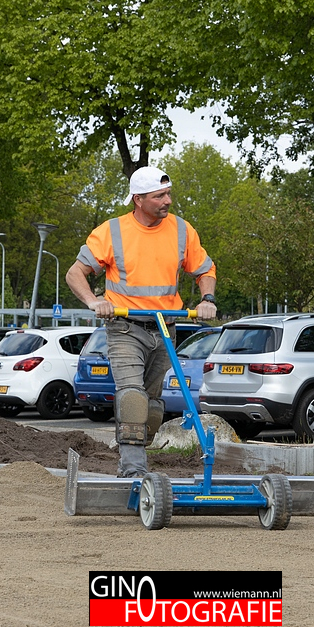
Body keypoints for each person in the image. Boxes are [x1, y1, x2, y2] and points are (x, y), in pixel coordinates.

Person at [66, 165, 217, 477]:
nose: (167, 200)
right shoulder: (112, 231)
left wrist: (207, 300)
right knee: (132, 396)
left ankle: (134, 446)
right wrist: (95, 301)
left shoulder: (181, 230)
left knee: (151, 407)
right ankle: (133, 469)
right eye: (159, 195)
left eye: (168, 194)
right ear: (138, 199)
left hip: (166, 327)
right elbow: (75, 273)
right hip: (125, 327)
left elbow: (205, 269)